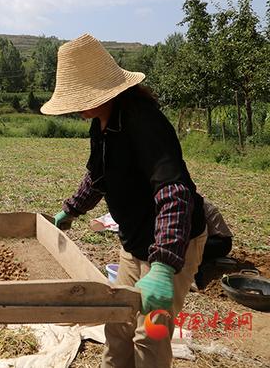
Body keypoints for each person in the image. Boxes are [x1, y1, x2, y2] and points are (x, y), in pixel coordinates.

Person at [44, 34, 207, 368]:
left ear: (104, 89)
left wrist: (162, 266)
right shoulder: (102, 123)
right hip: (134, 241)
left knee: (150, 334)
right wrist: (70, 211)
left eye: (81, 97)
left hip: (172, 243)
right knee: (117, 323)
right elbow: (98, 176)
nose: (78, 107)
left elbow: (175, 192)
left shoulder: (143, 121)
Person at [194, 199, 233, 288]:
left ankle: (196, 280)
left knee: (193, 246)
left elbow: (197, 234)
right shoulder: (193, 199)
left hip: (221, 242)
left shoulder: (196, 203)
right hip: (211, 239)